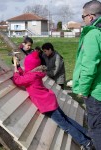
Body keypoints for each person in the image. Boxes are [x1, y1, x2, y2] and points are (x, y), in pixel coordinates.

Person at [12, 51, 93, 150]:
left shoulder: (31, 76)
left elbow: (18, 80)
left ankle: (86, 142)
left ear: (29, 66)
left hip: (47, 105)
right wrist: (18, 66)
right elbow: (24, 75)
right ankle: (88, 134)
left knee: (65, 126)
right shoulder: (35, 73)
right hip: (50, 100)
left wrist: (15, 69)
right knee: (66, 119)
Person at [72, 1, 101, 149]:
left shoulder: (93, 34)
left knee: (96, 129)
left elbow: (89, 67)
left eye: (83, 16)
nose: (82, 19)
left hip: (95, 93)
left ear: (90, 16)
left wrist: (83, 89)